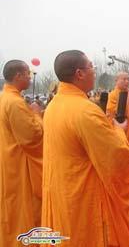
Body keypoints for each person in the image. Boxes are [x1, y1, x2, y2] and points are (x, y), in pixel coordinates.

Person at [42, 50, 129, 246]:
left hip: (64, 192)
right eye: (91, 67)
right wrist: (119, 130)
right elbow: (116, 157)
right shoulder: (85, 110)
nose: (94, 71)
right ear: (79, 74)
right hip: (84, 199)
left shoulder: (54, 105)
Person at [0, 60, 43, 246]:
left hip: (8, 160)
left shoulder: (4, 97)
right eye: (27, 74)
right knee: (23, 209)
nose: (29, 78)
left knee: (11, 206)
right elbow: (32, 137)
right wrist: (36, 115)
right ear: (18, 76)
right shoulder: (15, 102)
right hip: (19, 165)